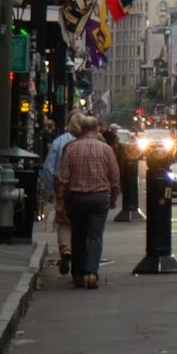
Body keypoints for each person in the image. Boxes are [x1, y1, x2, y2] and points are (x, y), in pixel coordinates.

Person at [54, 116, 122, 290]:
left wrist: (60, 201)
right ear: (97, 129)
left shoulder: (71, 148)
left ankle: (78, 274)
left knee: (78, 235)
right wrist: (113, 199)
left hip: (76, 198)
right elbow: (115, 179)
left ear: (81, 129)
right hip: (99, 198)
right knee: (95, 236)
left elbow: (63, 179)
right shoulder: (106, 149)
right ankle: (91, 273)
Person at [39, 112, 83, 276]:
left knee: (64, 222)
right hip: (84, 186)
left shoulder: (59, 142)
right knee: (82, 223)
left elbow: (48, 168)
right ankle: (81, 256)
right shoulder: (90, 142)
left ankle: (66, 250)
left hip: (62, 186)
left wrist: (50, 191)